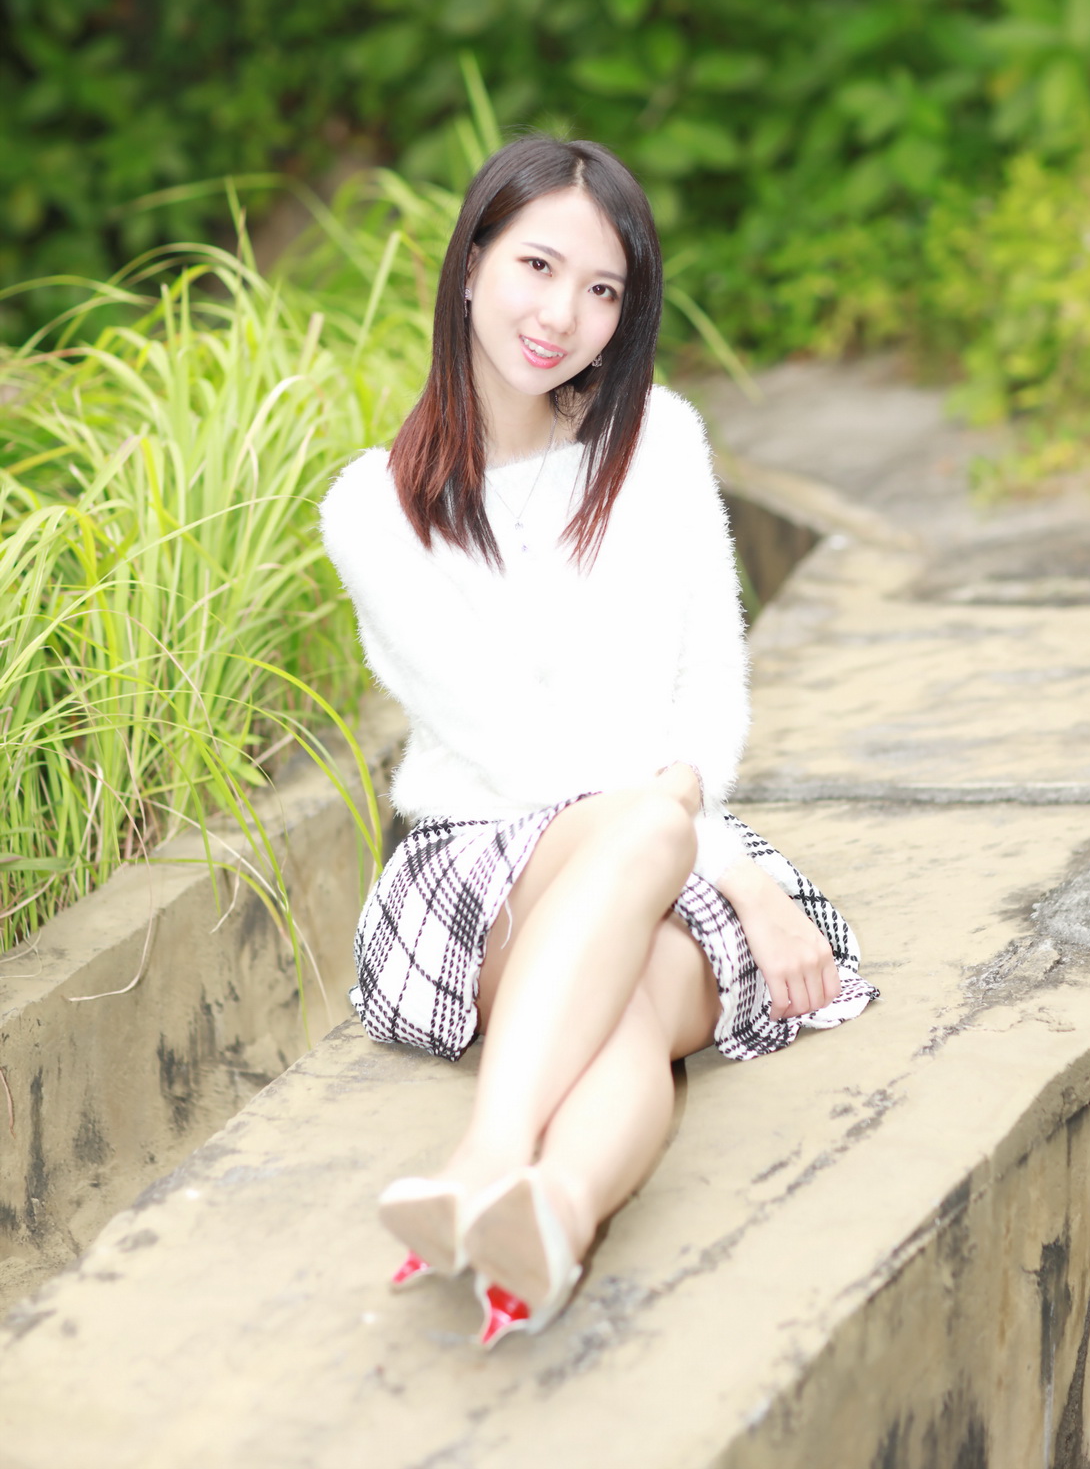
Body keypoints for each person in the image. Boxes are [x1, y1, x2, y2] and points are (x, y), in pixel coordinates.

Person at [319, 136, 878, 1348]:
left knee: (629, 1005)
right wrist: (736, 871)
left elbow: (711, 681)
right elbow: (521, 752)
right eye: (537, 266)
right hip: (485, 860)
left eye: (602, 289)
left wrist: (685, 820)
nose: (561, 315)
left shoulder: (659, 441)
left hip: (664, 842)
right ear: (471, 263)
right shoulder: (376, 508)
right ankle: (489, 1157)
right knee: (643, 834)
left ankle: (548, 1223)